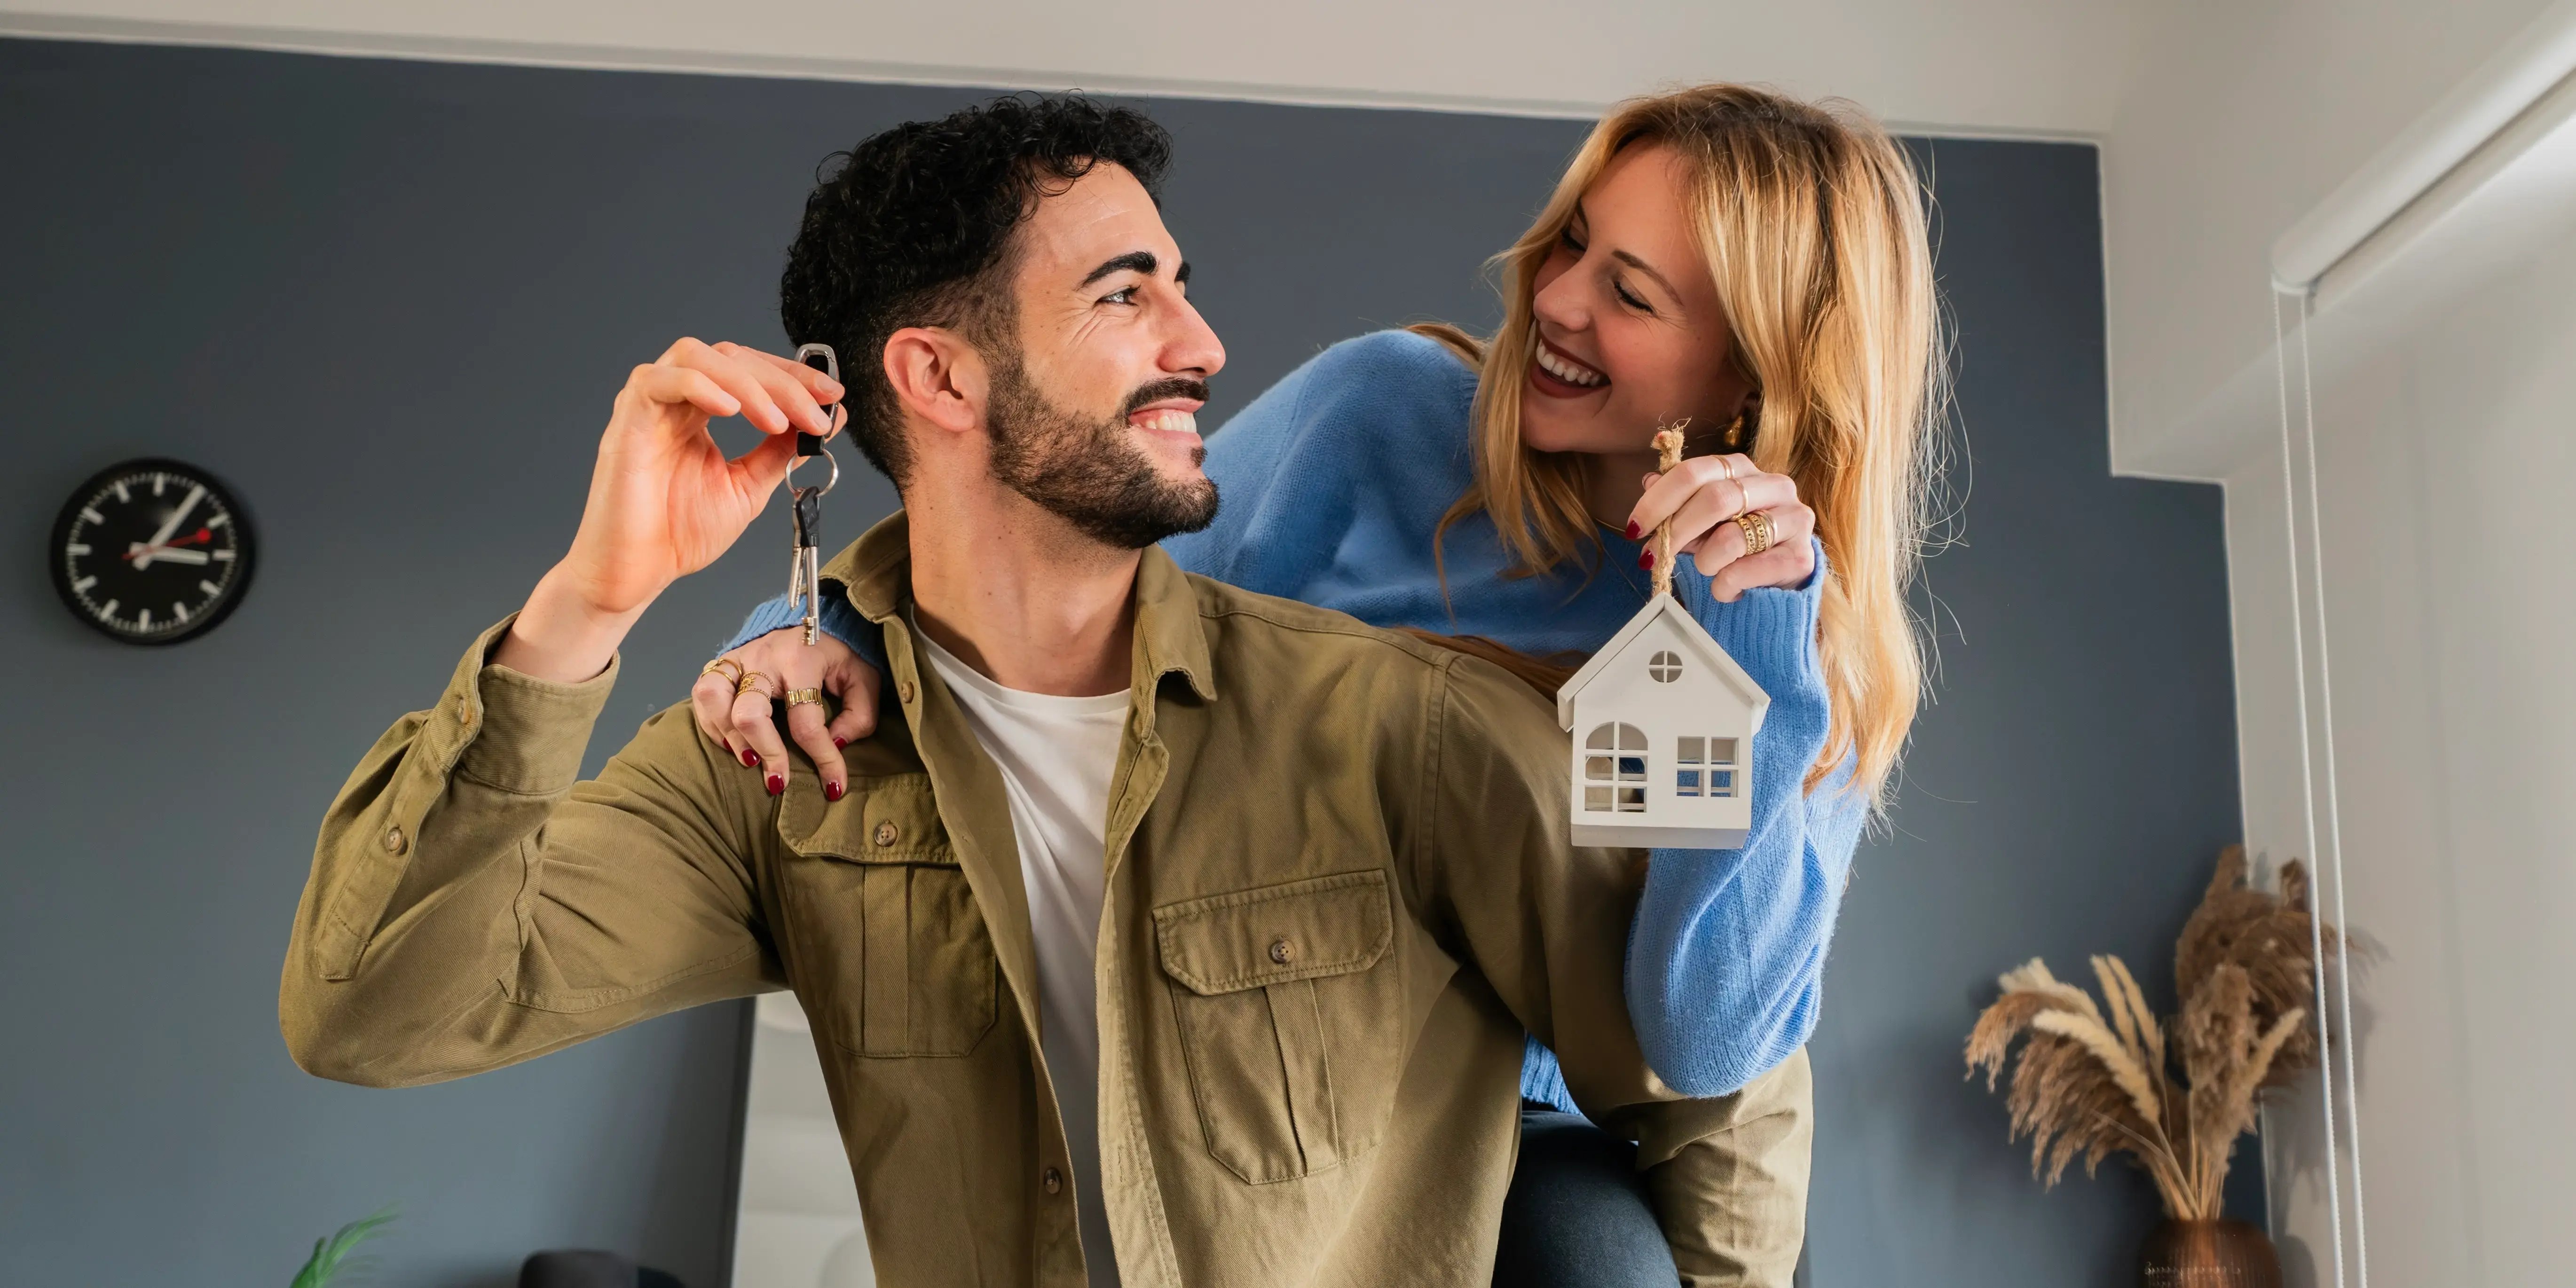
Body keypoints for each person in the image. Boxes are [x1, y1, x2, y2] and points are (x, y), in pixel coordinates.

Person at [278, 95, 1808, 1288]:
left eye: (1183, 288)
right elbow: (374, 1009)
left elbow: (1716, 1096)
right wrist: (594, 600)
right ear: (940, 379)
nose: (1204, 344)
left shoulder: (1406, 730)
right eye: (1127, 296)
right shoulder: (782, 761)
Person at [699, 83, 1942, 1284]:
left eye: (1628, 292)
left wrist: (1757, 638)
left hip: (1526, 1140)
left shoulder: (1794, 649)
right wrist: (817, 630)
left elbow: (1705, 1041)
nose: (1555, 300)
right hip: (1256, 1060)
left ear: (1752, 374)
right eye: (1571, 240)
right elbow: (1073, 586)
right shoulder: (1384, 416)